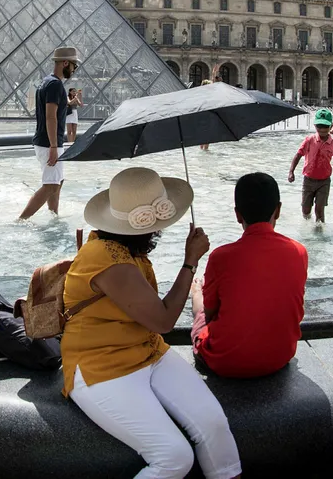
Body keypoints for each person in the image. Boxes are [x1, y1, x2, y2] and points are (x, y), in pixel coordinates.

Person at [61, 167, 242, 479]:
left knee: (214, 424)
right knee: (174, 457)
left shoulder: (121, 247)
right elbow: (164, 319)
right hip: (100, 366)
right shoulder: (108, 259)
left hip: (148, 351)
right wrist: (190, 261)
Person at [190, 172, 307, 378]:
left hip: (224, 361)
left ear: (237, 214)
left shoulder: (221, 256)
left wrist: (198, 292)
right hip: (280, 356)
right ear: (278, 210)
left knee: (198, 308)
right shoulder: (299, 251)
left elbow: (208, 313)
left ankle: (195, 290)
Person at [20, 47, 80, 220]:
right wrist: (53, 146)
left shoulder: (47, 82)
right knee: (51, 185)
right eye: (74, 66)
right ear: (65, 63)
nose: (74, 70)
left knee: (57, 181)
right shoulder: (54, 85)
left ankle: (54, 215)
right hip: (49, 142)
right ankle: (21, 220)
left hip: (47, 140)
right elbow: (50, 116)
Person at [288, 108, 333, 223]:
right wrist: (291, 171)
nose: (322, 130)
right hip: (308, 180)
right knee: (306, 210)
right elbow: (298, 155)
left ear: (331, 126)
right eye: (319, 126)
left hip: (324, 182)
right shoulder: (309, 140)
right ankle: (307, 227)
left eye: (325, 126)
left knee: (319, 210)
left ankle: (320, 232)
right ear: (315, 125)